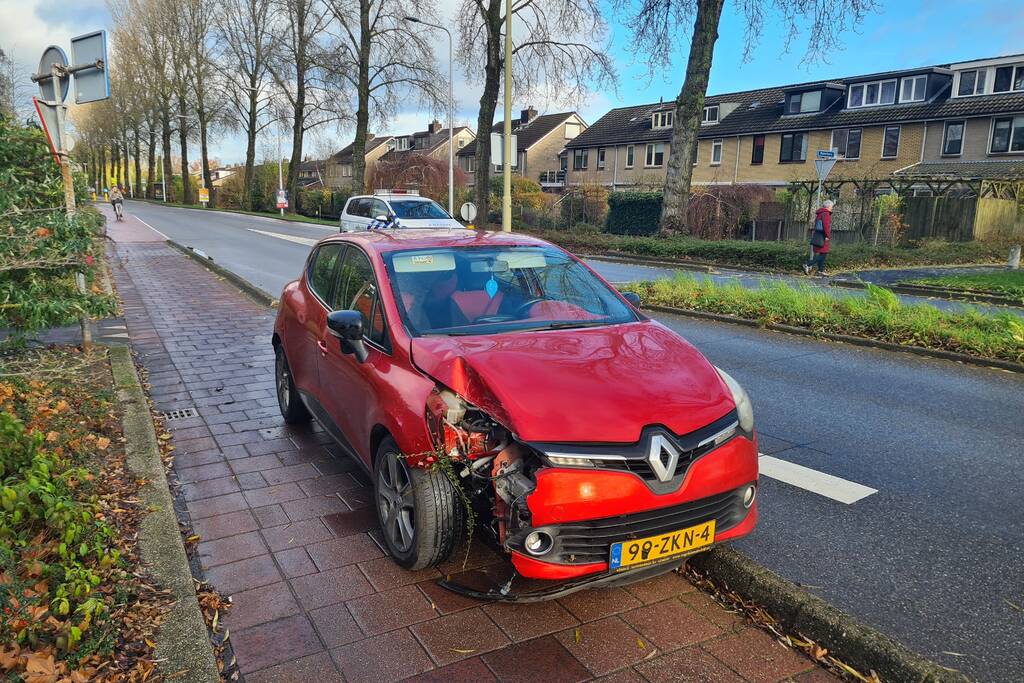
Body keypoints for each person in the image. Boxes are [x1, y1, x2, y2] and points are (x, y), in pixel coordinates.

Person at [803, 199, 833, 276]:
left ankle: (820, 270)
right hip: (823, 236)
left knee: (823, 253)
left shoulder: (820, 213)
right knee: (823, 254)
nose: (832, 208)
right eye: (831, 206)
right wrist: (828, 236)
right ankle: (808, 264)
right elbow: (826, 226)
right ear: (828, 206)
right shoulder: (826, 214)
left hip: (818, 235)